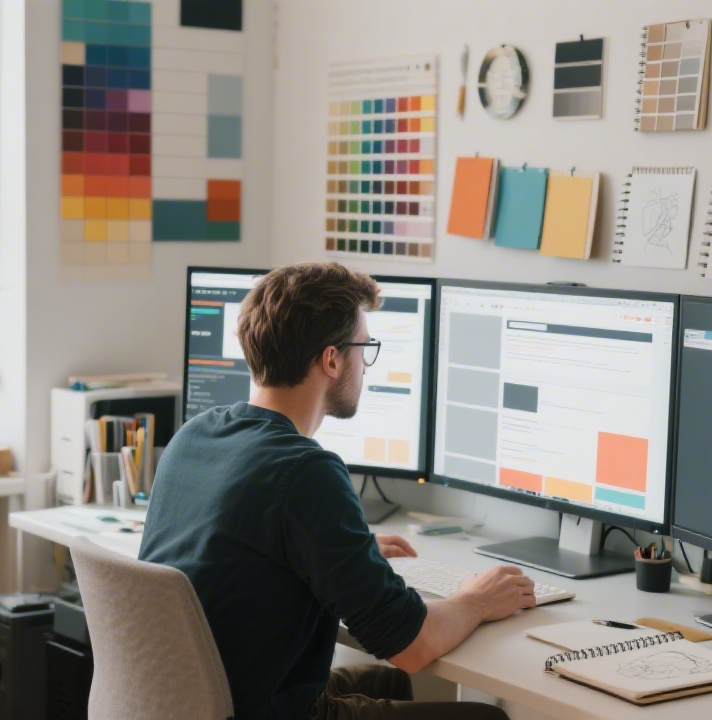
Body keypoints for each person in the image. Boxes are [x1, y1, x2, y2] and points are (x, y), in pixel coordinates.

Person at [140, 263, 531, 719]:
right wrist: (478, 600)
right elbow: (414, 645)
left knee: (389, 682)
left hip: (200, 700)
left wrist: (347, 552)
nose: (365, 363)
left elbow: (250, 550)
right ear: (331, 359)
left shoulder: (194, 435)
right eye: (364, 348)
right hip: (264, 711)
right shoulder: (306, 470)